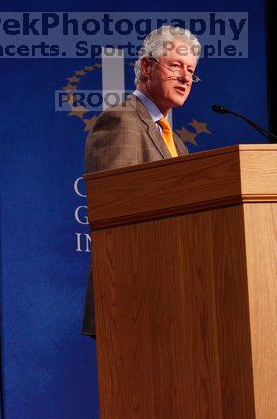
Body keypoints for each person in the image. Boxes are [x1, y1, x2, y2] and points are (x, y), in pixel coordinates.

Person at [81, 25, 202, 337]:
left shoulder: (178, 142)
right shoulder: (121, 121)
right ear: (147, 67)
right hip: (133, 298)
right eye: (175, 65)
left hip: (174, 295)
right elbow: (115, 217)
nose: (186, 78)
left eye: (190, 70)